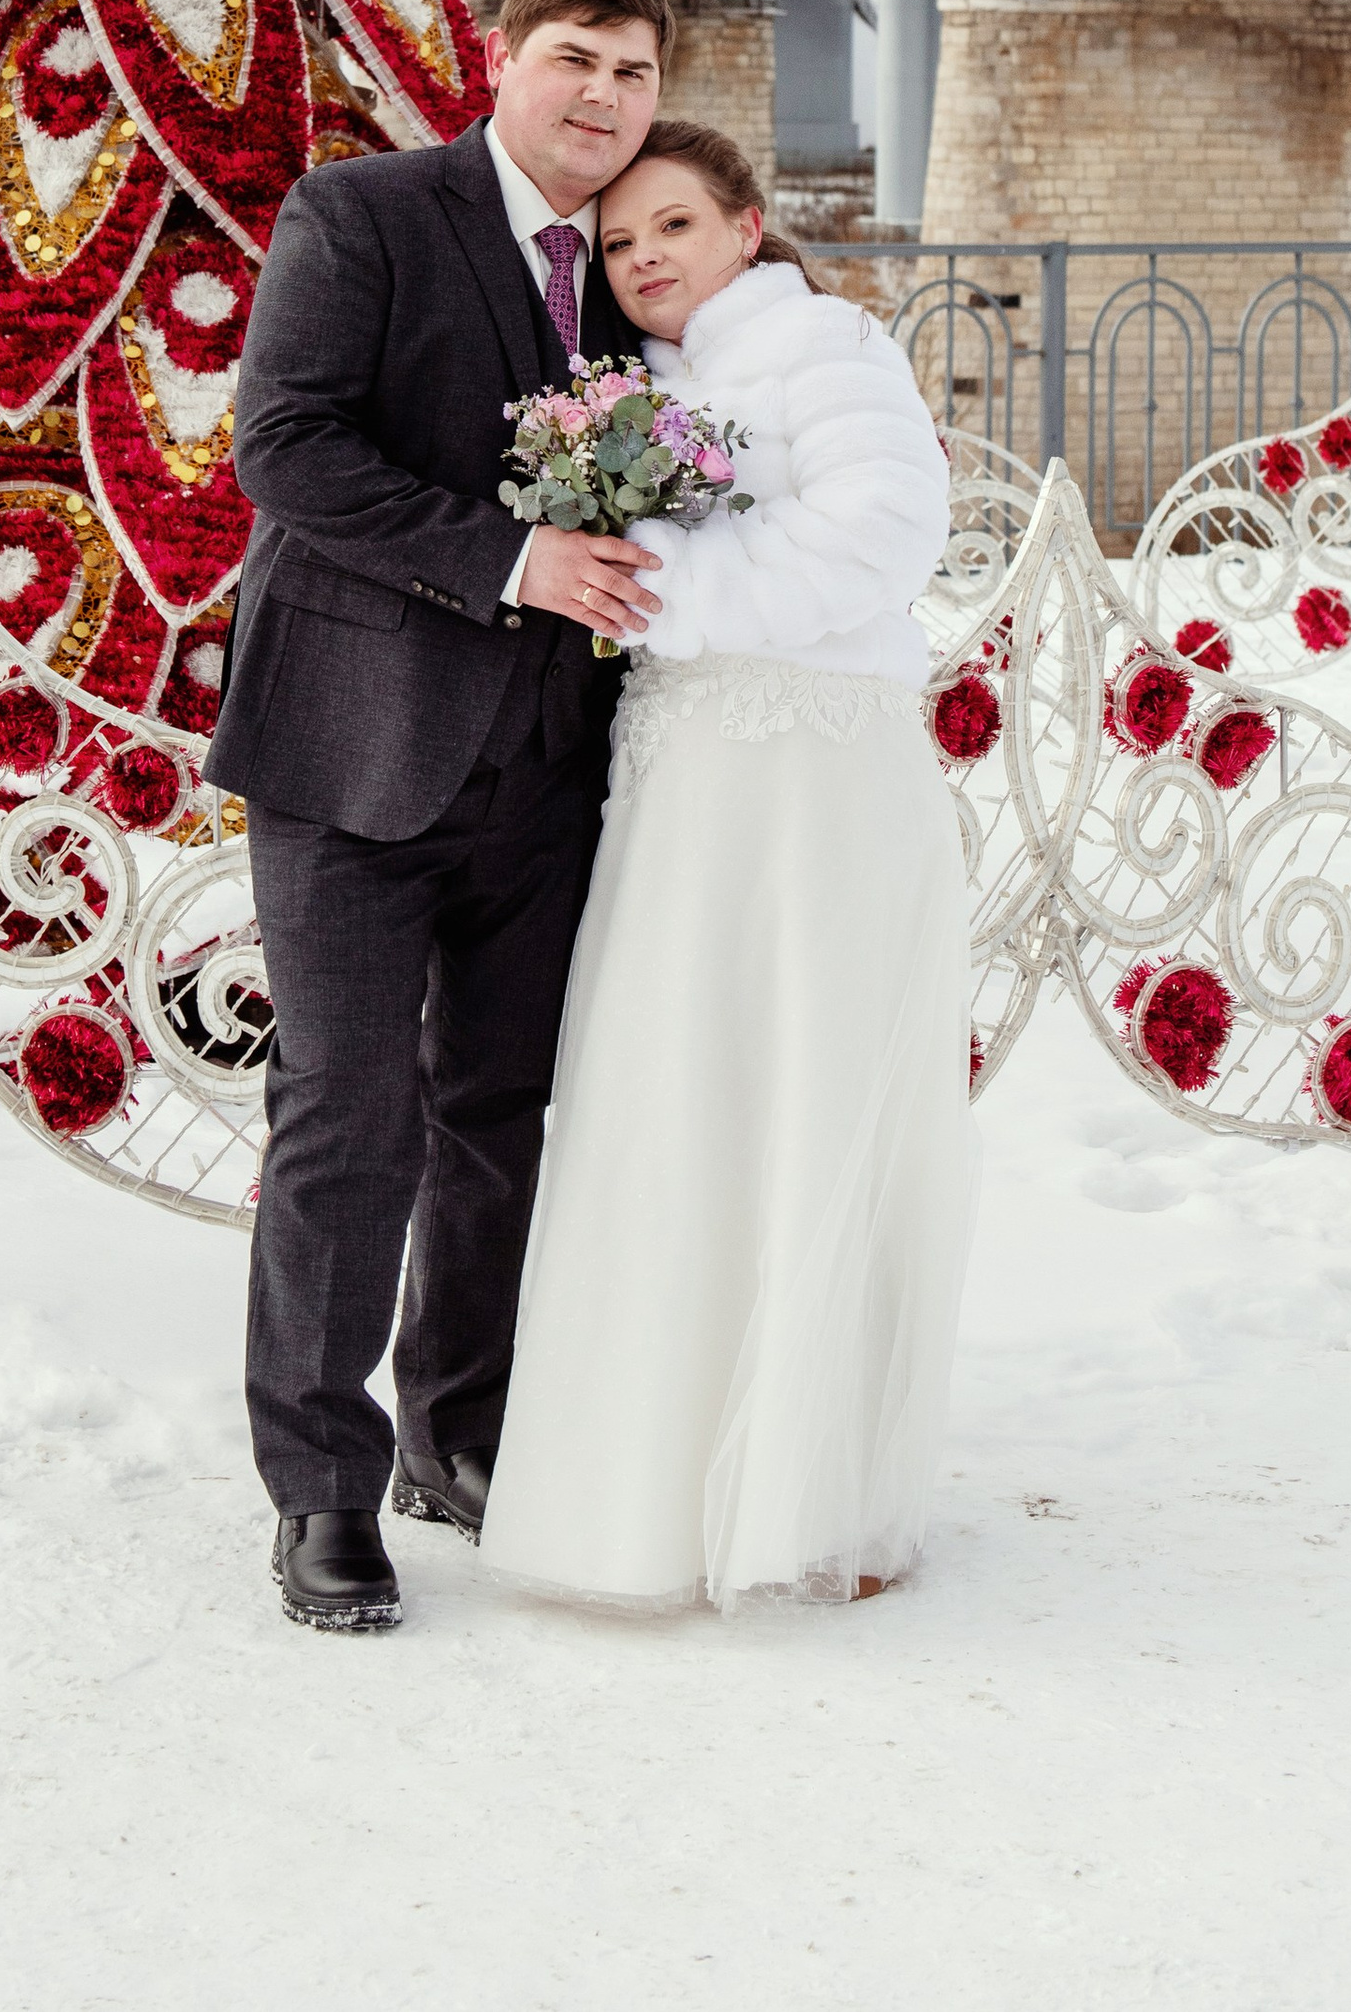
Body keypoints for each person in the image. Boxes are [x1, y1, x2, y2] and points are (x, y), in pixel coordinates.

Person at [208, 0, 673, 1633]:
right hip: (353, 744)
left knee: (501, 1111)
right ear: (501, 60)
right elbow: (287, 446)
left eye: (634, 72)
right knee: (348, 1118)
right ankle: (321, 1495)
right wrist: (509, 558)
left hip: (554, 767)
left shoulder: (645, 265)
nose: (606, 99)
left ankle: (454, 1435)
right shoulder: (365, 215)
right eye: (575, 60)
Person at [480, 117, 971, 1613]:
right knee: (674, 1093)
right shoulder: (650, 389)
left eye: (674, 228)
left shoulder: (824, 347)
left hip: (810, 771)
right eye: (622, 245)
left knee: (796, 1087)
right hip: (689, 776)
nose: (644, 261)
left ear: (746, 228)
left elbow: (893, 531)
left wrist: (666, 595)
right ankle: (647, 1482)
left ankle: (804, 1491)